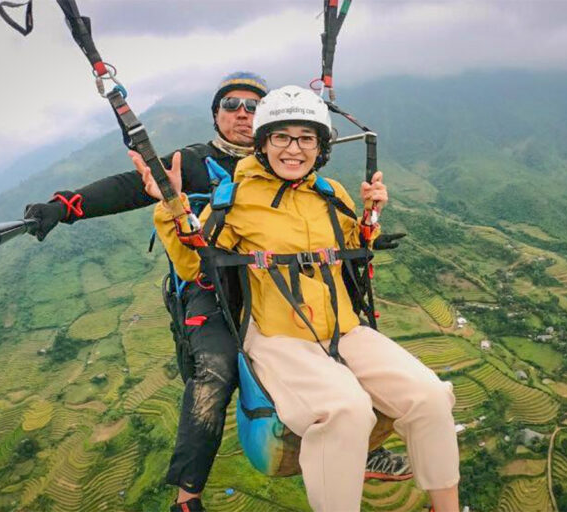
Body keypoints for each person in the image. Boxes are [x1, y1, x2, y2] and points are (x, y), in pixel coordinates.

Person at [24, 73, 411, 512]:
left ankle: (358, 446)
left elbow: (314, 223)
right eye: (232, 105)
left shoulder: (291, 162)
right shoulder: (190, 163)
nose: (242, 114)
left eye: (252, 107)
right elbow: (129, 187)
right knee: (215, 368)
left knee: (345, 340)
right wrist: (64, 207)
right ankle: (187, 495)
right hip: (212, 284)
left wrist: (365, 240)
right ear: (216, 115)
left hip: (280, 283)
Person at [143, 85, 460, 512]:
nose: (294, 149)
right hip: (278, 336)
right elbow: (193, 262)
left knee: (432, 397)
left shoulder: (332, 196)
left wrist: (372, 216)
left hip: (344, 329)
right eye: (282, 137)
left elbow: (357, 249)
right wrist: (172, 205)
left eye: (306, 138)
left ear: (320, 147)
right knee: (345, 410)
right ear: (263, 143)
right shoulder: (232, 202)